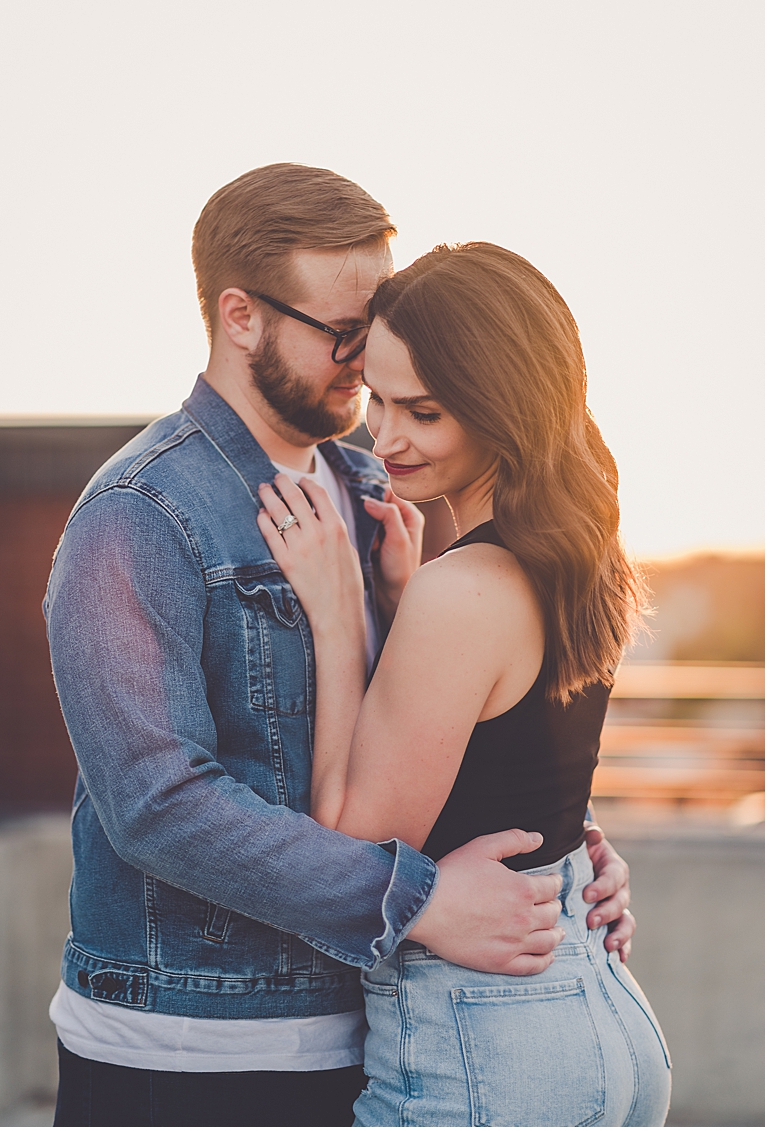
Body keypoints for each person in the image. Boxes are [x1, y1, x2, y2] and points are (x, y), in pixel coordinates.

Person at [43, 164, 638, 1127]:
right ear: (241, 317)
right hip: (196, 1049)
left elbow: (461, 720)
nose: (369, 372)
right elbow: (155, 804)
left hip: (375, 1034)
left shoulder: (386, 491)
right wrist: (418, 899)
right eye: (346, 337)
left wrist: (566, 860)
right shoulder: (137, 513)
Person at [255, 242, 669, 1126]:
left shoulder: (464, 590)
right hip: (596, 1012)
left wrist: (336, 615)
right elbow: (521, 752)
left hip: (490, 1043)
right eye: (378, 395)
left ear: (503, 411)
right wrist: (408, 601)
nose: (384, 436)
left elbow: (356, 843)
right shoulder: (569, 555)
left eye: (426, 411)